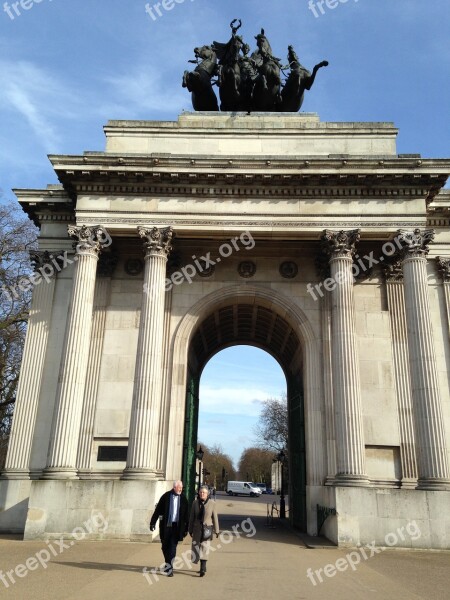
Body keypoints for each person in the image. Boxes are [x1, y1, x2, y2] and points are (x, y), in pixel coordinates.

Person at [150, 480, 189, 577]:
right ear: (174, 487)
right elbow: (158, 510)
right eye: (179, 487)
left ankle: (170, 568)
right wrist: (152, 523)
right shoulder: (166, 496)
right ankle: (168, 563)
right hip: (166, 526)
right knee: (164, 546)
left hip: (177, 527)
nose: (181, 489)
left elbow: (187, 515)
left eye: (181, 487)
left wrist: (186, 529)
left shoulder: (183, 498)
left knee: (172, 547)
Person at [189, 485, 220, 577]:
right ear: (199, 493)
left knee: (205, 548)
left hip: (207, 529)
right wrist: (190, 529)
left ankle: (202, 568)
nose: (202, 494)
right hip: (197, 528)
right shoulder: (195, 503)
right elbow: (191, 517)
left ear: (207, 494)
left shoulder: (212, 504)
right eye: (201, 492)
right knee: (196, 548)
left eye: (204, 492)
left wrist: (217, 530)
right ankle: (201, 565)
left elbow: (215, 518)